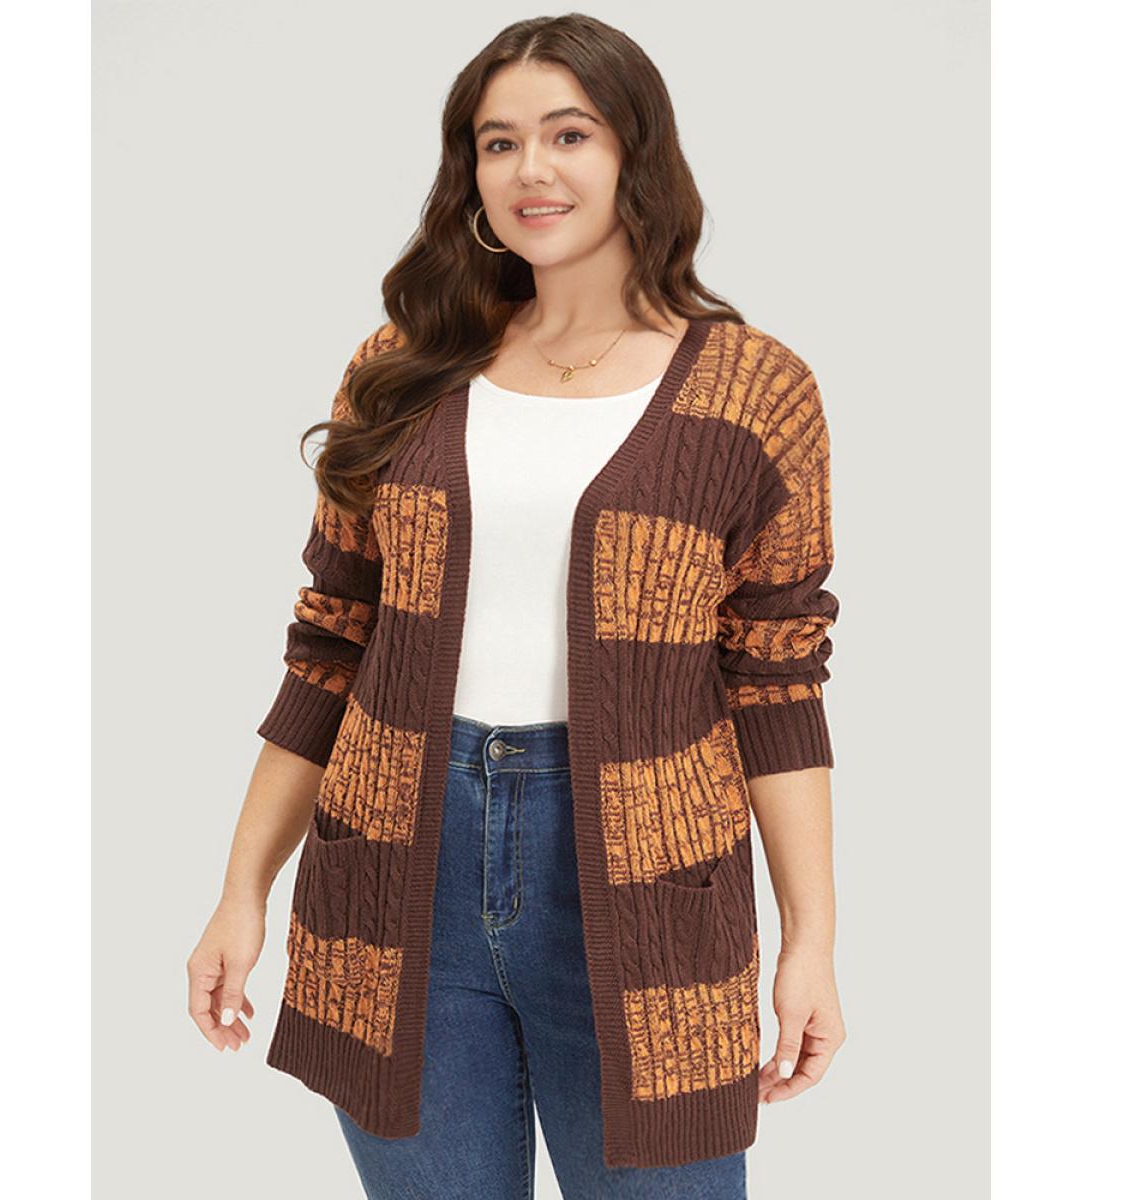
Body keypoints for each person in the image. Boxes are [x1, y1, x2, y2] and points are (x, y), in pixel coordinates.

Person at [187, 13, 846, 1198]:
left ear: (637, 152)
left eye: (568, 134)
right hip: (400, 867)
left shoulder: (754, 391)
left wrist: (811, 942)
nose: (530, 169)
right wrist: (243, 891)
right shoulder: (406, 365)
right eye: (498, 143)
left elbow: (777, 679)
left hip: (650, 889)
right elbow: (332, 642)